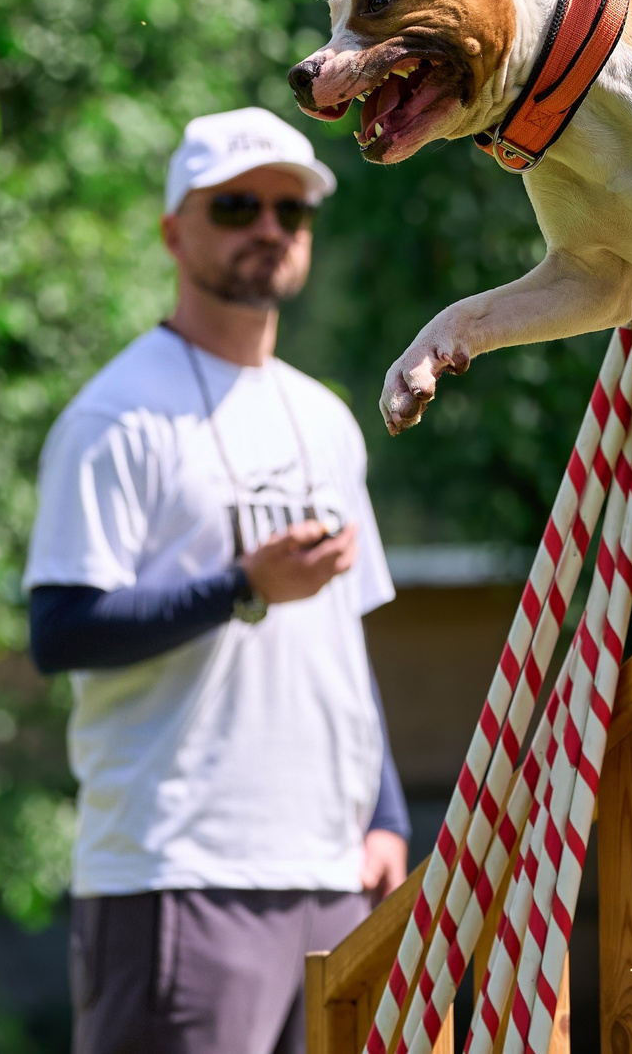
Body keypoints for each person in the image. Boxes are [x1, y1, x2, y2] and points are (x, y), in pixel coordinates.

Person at [24, 107, 410, 1054]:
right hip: (179, 872)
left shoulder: (327, 419)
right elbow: (61, 629)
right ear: (172, 231)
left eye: (293, 210)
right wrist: (237, 586)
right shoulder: (113, 416)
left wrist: (386, 815)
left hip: (331, 871)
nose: (270, 228)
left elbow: (342, 645)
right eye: (236, 206)